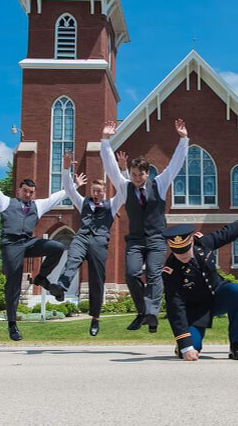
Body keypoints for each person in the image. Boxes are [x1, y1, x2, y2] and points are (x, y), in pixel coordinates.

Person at [100, 119, 189, 333]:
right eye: (133, 174)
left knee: (153, 273)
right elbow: (111, 168)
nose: (137, 178)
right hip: (136, 240)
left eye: (140, 175)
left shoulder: (159, 184)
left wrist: (184, 139)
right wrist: (105, 140)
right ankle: (143, 312)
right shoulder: (124, 187)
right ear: (129, 173)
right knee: (131, 274)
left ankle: (152, 313)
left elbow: (175, 164)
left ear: (147, 173)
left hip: (157, 238)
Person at [0, 144, 67, 341]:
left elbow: (58, 196)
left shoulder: (37, 205)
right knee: (13, 284)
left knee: (57, 247)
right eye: (25, 191)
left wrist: (73, 183)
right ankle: (12, 325)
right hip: (11, 246)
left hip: (28, 243)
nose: (28, 194)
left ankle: (41, 279)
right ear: (19, 190)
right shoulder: (6, 202)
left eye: (31, 192)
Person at [162, 196, 238, 361]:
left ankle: (235, 344)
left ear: (192, 242)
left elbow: (227, 233)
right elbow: (175, 308)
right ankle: (182, 346)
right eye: (177, 253)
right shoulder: (170, 271)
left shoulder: (203, 243)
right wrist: (185, 346)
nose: (182, 256)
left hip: (218, 296)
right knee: (190, 351)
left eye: (185, 251)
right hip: (195, 310)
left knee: (236, 291)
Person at [47, 152, 124, 336]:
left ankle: (95, 318)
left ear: (104, 192)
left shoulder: (112, 205)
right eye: (94, 191)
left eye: (99, 191)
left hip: (99, 242)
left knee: (97, 280)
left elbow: (124, 190)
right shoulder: (83, 203)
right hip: (82, 237)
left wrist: (123, 169)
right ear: (91, 191)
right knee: (72, 258)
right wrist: (66, 168)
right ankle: (61, 288)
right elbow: (69, 189)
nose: (96, 194)